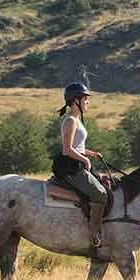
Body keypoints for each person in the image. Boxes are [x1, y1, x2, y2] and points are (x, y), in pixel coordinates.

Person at [52, 83, 109, 254]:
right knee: (101, 194)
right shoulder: (70, 120)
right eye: (85, 99)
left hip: (78, 163)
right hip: (71, 168)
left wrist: (91, 153)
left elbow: (78, 146)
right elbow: (67, 149)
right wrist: (85, 159)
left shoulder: (76, 120)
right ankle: (93, 234)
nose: (88, 102)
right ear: (76, 100)